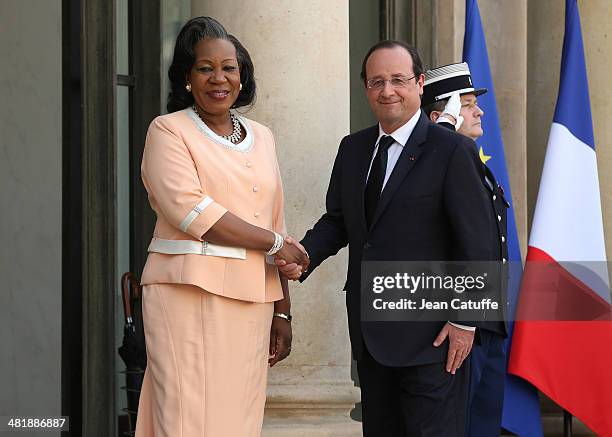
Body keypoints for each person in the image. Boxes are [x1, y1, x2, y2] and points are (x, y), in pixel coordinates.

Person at [277, 41, 497, 436]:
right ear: (365, 88)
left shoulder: (451, 150)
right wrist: (306, 253)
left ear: (419, 83)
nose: (387, 90)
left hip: (435, 340)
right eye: (377, 81)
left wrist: (466, 321)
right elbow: (340, 221)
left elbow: (480, 243)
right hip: (372, 335)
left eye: (398, 79)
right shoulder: (353, 148)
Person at [135, 17, 307, 437]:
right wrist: (274, 243)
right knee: (186, 417)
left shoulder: (262, 136)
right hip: (186, 297)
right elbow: (194, 213)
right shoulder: (168, 130)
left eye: (229, 67)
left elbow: (275, 223)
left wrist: (282, 308)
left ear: (241, 75)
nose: (219, 78)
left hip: (251, 303)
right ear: (187, 78)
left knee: (239, 421)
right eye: (205, 67)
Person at [422, 62, 510, 437]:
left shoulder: (471, 161)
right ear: (441, 116)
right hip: (457, 322)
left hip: (486, 320)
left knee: (481, 428)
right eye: (469, 104)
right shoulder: (435, 162)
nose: (479, 111)